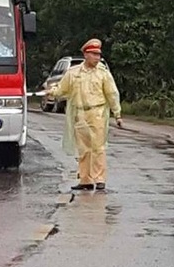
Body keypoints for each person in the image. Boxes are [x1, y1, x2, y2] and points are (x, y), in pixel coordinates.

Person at [47, 38, 122, 191]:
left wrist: (117, 114)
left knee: (98, 148)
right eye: (94, 54)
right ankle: (85, 180)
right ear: (86, 55)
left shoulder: (103, 73)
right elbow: (62, 89)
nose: (97, 58)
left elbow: (112, 94)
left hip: (97, 113)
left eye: (98, 54)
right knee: (83, 149)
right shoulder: (73, 73)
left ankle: (99, 179)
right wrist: (51, 92)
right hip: (80, 114)